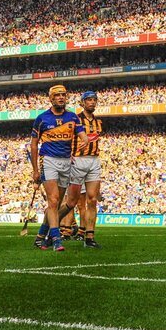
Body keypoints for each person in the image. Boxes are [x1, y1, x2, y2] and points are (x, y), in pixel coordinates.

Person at [29, 84, 87, 252]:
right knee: (53, 200)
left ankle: (42, 236)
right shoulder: (42, 119)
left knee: (57, 203)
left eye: (63, 95)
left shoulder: (73, 117)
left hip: (66, 163)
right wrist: (35, 170)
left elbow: (83, 138)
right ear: (51, 99)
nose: (61, 97)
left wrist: (82, 144)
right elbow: (33, 145)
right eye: (57, 95)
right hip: (49, 160)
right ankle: (56, 239)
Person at [70, 91, 103, 248]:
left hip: (94, 160)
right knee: (71, 201)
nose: (92, 102)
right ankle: (52, 229)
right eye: (88, 100)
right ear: (82, 103)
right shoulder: (75, 120)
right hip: (77, 160)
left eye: (94, 100)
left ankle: (89, 237)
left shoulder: (98, 122)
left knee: (92, 199)